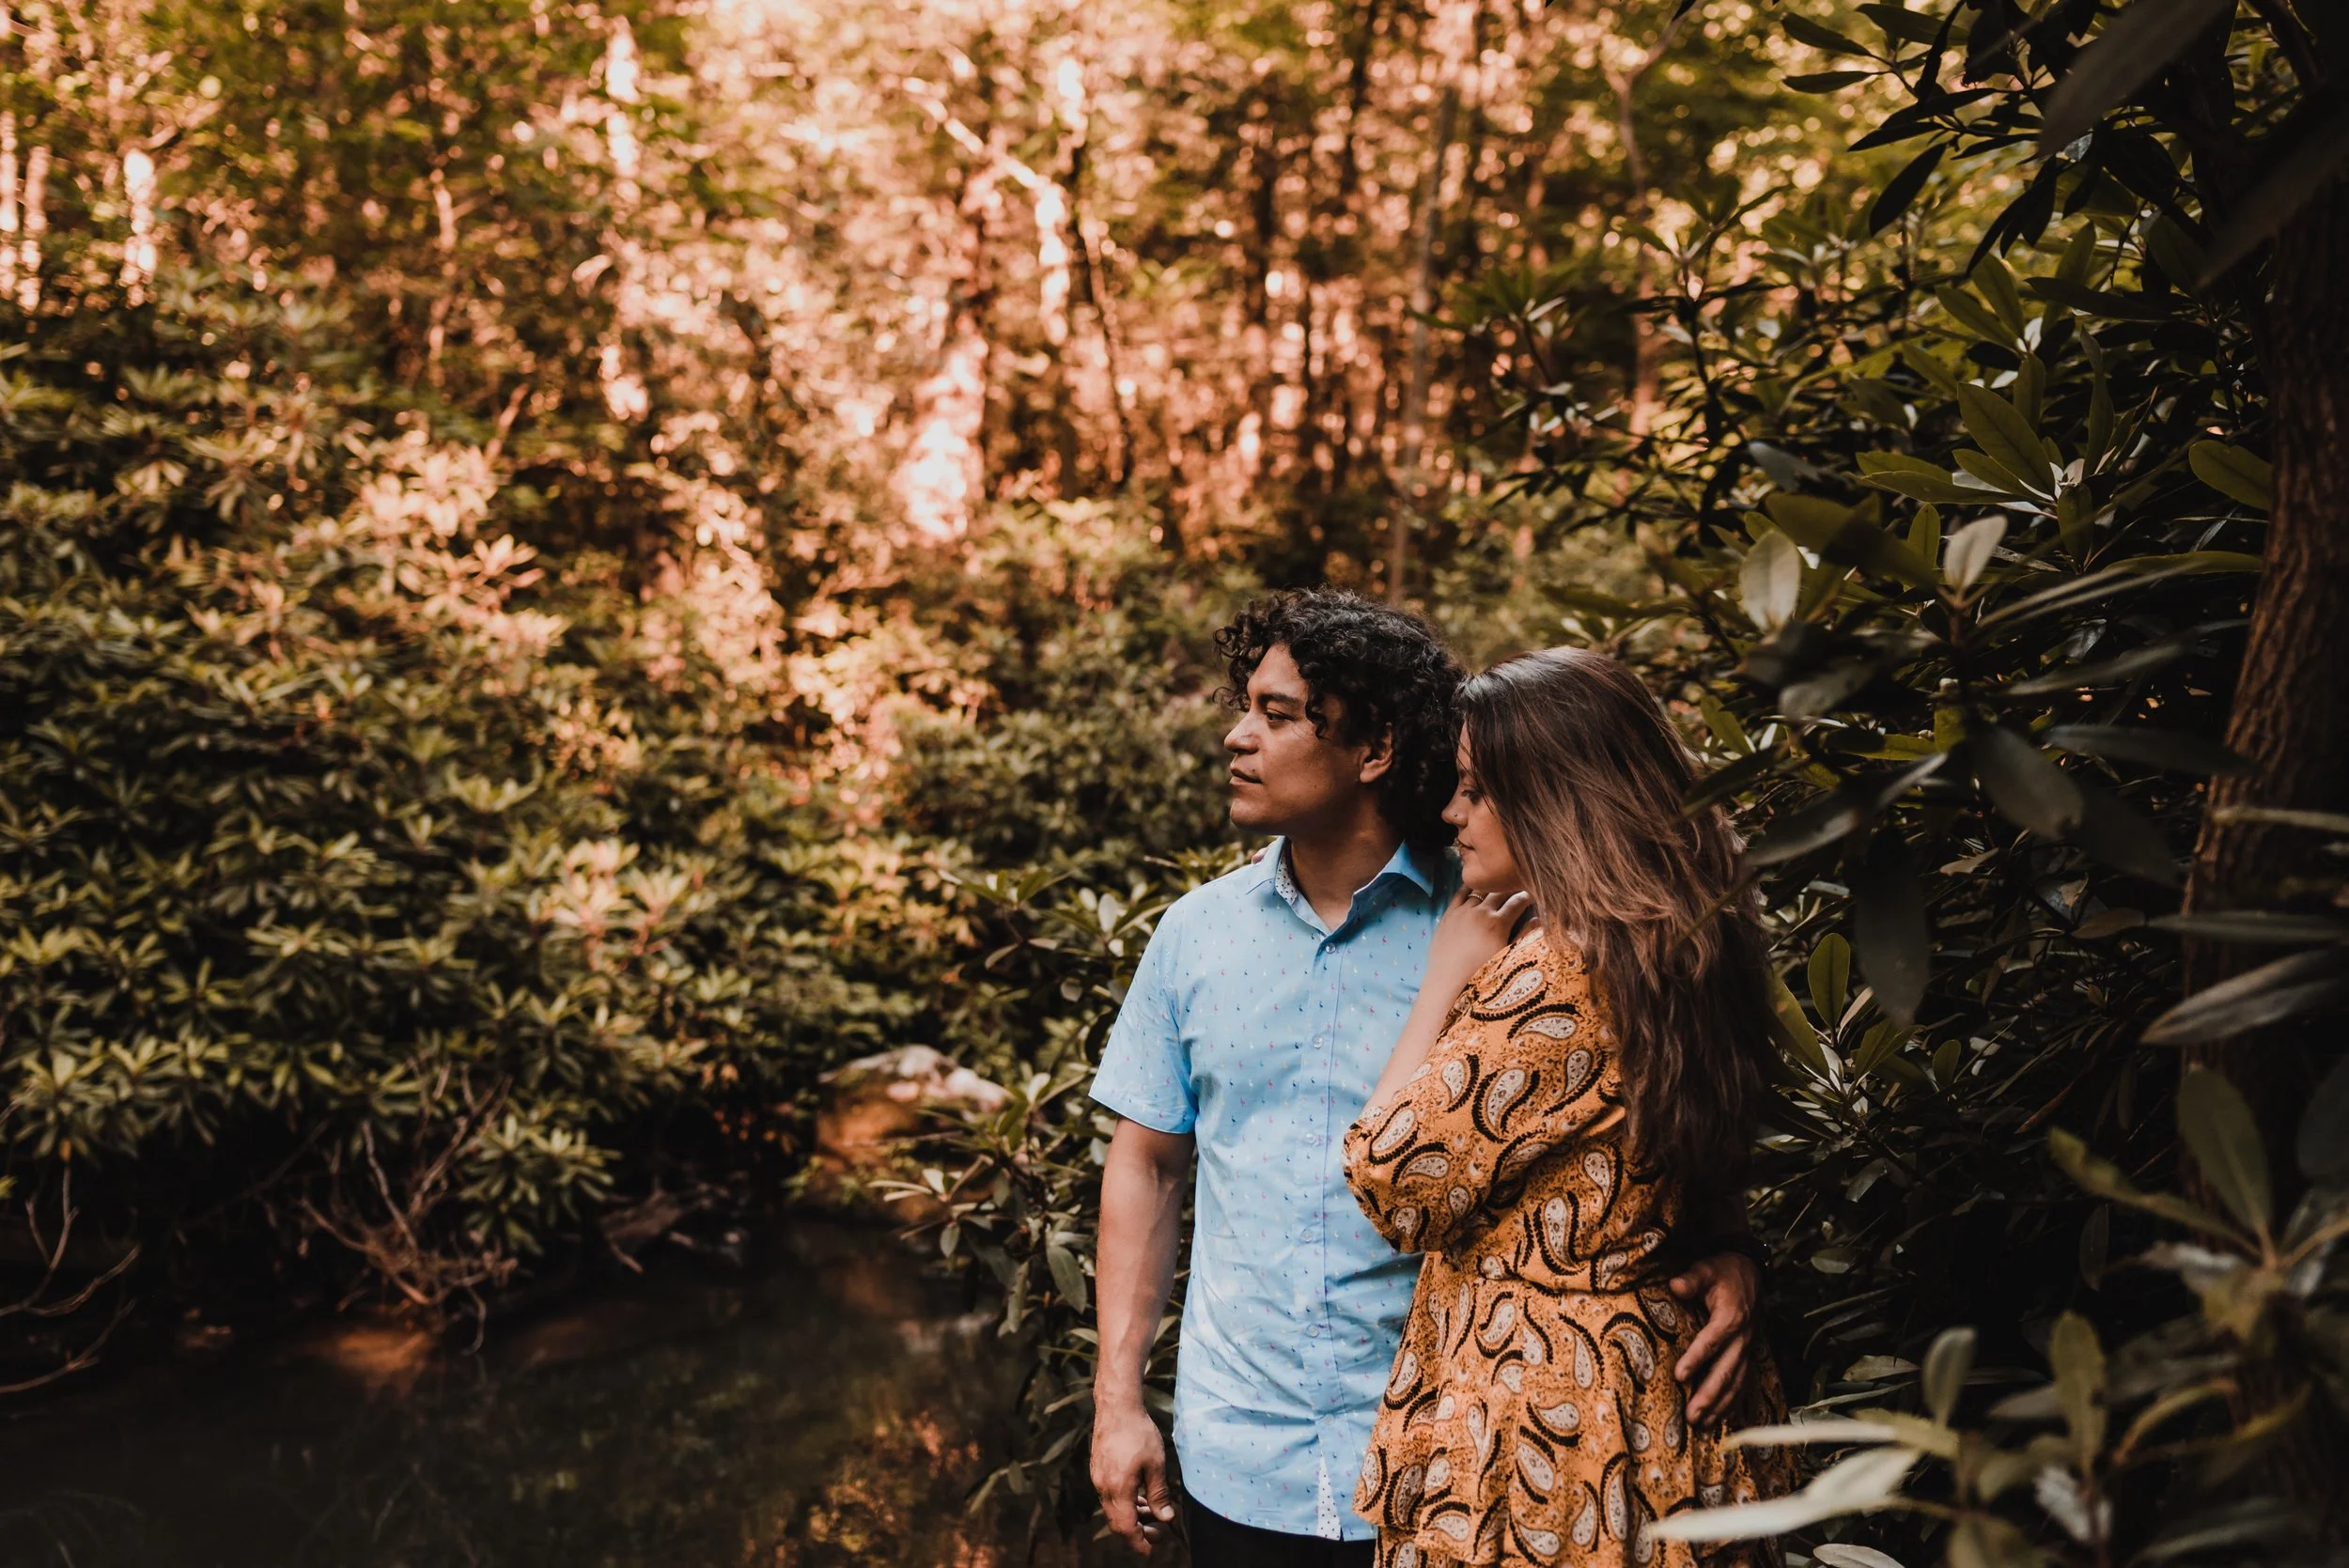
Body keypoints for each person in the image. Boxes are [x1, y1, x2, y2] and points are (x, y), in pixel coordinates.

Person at [1088, 594, 1766, 1565]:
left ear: (1373, 749)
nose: (1235, 737)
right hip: (1238, 1452)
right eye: (1247, 707)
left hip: (1457, 1463)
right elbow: (1147, 1165)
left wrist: (1724, 1250)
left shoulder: (1514, 918)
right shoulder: (1192, 936)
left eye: (1277, 714)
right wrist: (1118, 1403)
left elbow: (1649, 1114)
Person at [1343, 646, 1792, 1567]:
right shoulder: (1687, 944)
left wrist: (1444, 972)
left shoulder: (1557, 973)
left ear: (1551, 796)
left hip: (1547, 1410)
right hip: (1650, 1393)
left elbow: (1386, 1178)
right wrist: (1734, 1252)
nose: (1452, 814)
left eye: (1474, 788)